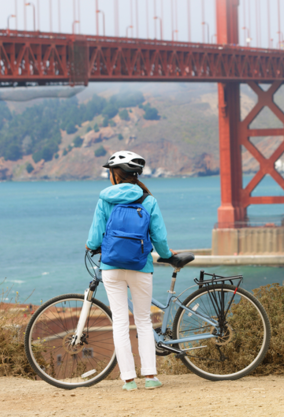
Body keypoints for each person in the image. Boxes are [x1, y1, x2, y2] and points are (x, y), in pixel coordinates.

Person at [85, 150, 176, 391]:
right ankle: (150, 377)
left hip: (112, 268)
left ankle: (128, 379)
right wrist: (167, 256)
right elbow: (159, 239)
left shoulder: (105, 199)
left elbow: (95, 238)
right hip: (140, 267)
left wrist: (91, 246)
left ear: (115, 174)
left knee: (120, 323)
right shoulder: (148, 200)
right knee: (144, 321)